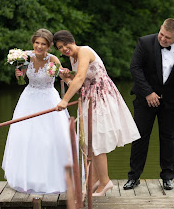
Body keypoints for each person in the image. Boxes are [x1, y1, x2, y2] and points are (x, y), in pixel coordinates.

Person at [54, 30, 141, 196]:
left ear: (73, 41)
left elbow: (80, 79)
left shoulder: (84, 51)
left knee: (97, 141)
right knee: (88, 142)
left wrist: (64, 100)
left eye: (66, 44)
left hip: (101, 99)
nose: (64, 49)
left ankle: (105, 181)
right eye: (60, 47)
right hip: (89, 99)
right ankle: (93, 180)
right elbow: (77, 82)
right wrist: (65, 77)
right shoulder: (73, 58)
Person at [124, 18, 174, 190]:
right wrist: (148, 92)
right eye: (161, 34)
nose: (163, 39)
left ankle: (167, 177)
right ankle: (134, 177)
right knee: (140, 137)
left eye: (167, 38)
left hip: (172, 101)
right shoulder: (145, 42)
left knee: (168, 138)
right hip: (145, 99)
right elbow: (135, 68)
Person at [2, 28, 72, 194]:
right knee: (26, 137)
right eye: (37, 43)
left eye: (43, 44)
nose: (39, 46)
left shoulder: (53, 59)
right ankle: (27, 178)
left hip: (49, 99)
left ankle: (51, 178)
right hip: (29, 99)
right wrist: (18, 73)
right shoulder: (25, 57)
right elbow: (21, 76)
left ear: (48, 46)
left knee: (49, 139)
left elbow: (64, 77)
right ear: (33, 42)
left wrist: (70, 78)